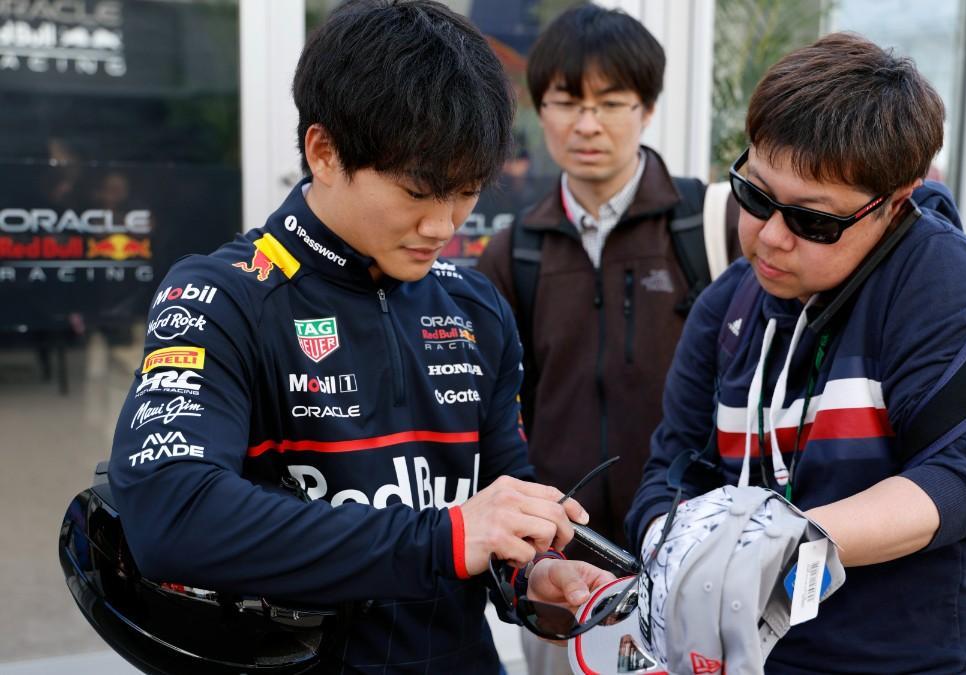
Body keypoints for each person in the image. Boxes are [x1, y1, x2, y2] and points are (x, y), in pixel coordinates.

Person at [107, 2, 613, 672]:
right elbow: (170, 512)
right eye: (417, 192)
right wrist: (443, 537)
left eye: (465, 192)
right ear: (323, 151)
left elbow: (501, 505)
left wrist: (537, 573)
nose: (445, 225)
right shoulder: (220, 296)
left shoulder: (473, 308)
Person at [626, 33, 966, 673]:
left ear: (896, 202)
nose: (771, 239)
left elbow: (961, 478)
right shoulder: (726, 305)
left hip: (920, 660)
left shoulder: (943, 286)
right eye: (755, 196)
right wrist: (671, 547)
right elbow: (674, 466)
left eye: (814, 221)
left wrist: (793, 543)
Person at [476, 8, 737, 672]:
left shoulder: (708, 224)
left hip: (694, 565)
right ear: (541, 110)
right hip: (564, 572)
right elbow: (498, 413)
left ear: (646, 109)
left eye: (611, 103)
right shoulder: (515, 252)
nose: (587, 125)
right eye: (566, 103)